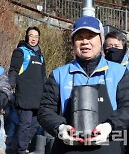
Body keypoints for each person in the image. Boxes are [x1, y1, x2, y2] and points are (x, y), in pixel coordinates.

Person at [37, 16, 129, 154]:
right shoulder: (59, 74)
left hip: (110, 146)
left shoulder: (120, 73)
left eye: (91, 36)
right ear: (73, 43)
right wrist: (61, 128)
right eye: (79, 37)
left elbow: (127, 107)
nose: (85, 41)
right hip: (68, 148)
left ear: (101, 40)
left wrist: (109, 126)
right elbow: (45, 111)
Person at [8, 26, 46, 154]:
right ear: (26, 37)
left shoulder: (40, 55)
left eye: (36, 36)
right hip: (24, 96)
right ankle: (21, 150)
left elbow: (43, 77)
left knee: (35, 125)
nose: (34, 39)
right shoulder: (21, 52)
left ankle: (18, 146)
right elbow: (13, 71)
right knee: (24, 125)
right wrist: (10, 87)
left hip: (38, 97)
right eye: (31, 35)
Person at [103, 30, 129, 153]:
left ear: (124, 48)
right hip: (109, 121)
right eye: (109, 46)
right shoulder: (100, 69)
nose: (113, 49)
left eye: (116, 46)